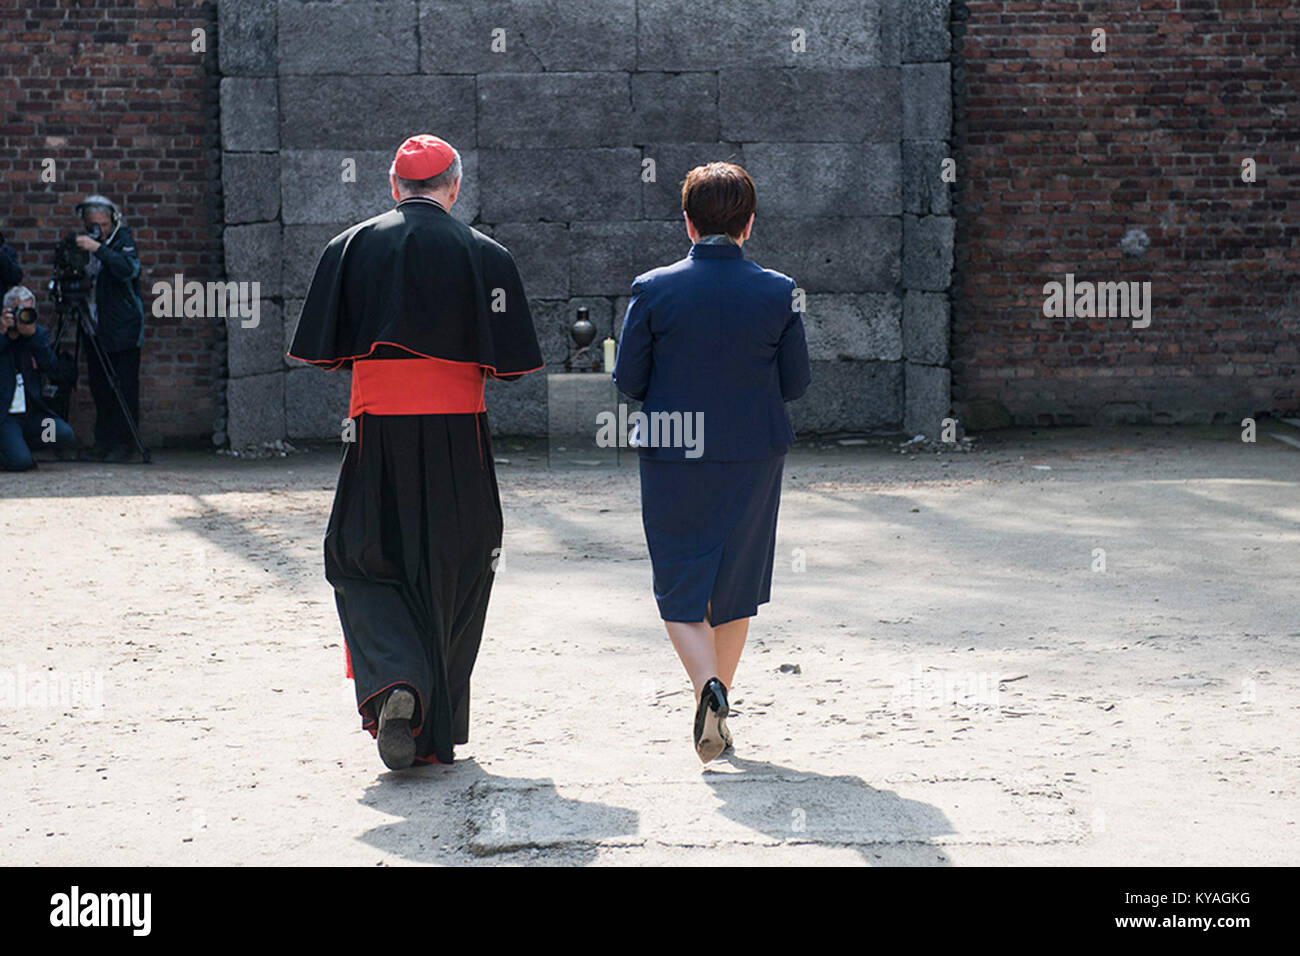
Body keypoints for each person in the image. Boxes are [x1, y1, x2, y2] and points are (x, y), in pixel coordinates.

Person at [288, 134, 542, 770]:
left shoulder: (349, 246)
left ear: (393, 186)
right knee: (460, 566)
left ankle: (396, 684)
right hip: (461, 439)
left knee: (361, 558)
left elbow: (325, 352)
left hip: (377, 434)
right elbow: (511, 366)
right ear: (454, 187)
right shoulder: (488, 255)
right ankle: (436, 726)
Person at [613, 162, 811, 763]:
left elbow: (629, 380)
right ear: (749, 225)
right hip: (754, 452)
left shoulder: (652, 288)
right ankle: (718, 704)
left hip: (676, 449)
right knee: (736, 586)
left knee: (678, 583)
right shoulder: (780, 290)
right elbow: (796, 383)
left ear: (688, 223)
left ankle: (708, 690)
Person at [72, 194, 146, 463]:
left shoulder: (122, 241)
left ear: (113, 220)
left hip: (122, 329)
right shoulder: (86, 246)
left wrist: (98, 248)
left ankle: (125, 444)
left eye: (102, 224)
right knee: (100, 387)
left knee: (124, 389)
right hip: (94, 328)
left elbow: (127, 270)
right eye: (92, 224)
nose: (98, 230)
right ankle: (103, 442)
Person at [1, 286, 78, 471]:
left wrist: (32, 338)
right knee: (21, 463)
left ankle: (17, 445)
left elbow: (53, 370)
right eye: (18, 311)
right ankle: (11, 449)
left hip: (31, 415)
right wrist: (3, 334)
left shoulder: (38, 335)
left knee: (63, 434)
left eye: (28, 311)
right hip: (6, 415)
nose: (23, 316)